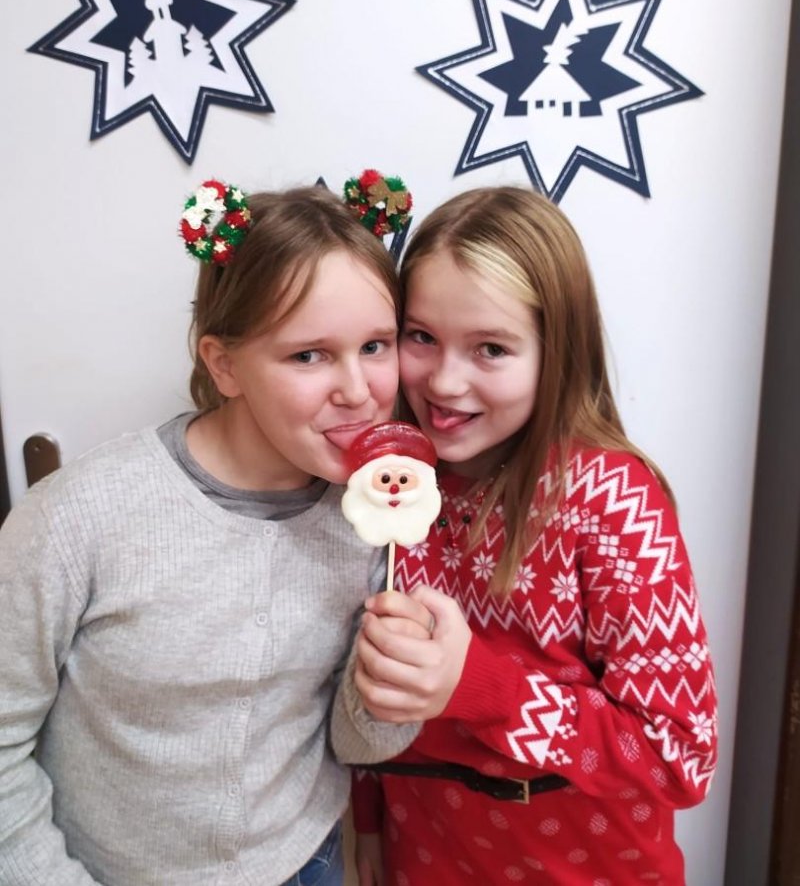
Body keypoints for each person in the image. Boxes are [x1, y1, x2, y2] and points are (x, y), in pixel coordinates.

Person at [0, 181, 421, 886]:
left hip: (305, 864)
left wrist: (393, 694)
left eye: (375, 345)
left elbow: (356, 745)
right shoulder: (78, 517)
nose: (359, 390)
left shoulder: (374, 520)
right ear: (224, 364)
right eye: (309, 355)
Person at [333, 186, 718, 886]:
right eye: (422, 337)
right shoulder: (388, 487)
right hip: (423, 855)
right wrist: (367, 822)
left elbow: (679, 756)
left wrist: (479, 685)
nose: (445, 382)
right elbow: (366, 682)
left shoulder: (611, 500)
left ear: (555, 351)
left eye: (491, 348)